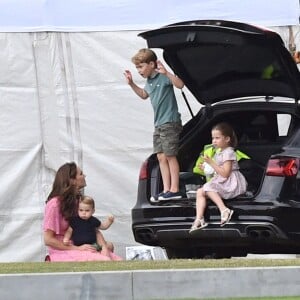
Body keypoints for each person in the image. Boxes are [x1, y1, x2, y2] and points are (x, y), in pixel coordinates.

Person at [124, 48, 184, 200]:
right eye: (137, 67)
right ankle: (166, 189)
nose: (139, 70)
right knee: (161, 157)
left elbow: (180, 84)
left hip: (169, 122)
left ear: (151, 64)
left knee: (170, 156)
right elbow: (144, 95)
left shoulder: (163, 77)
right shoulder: (149, 82)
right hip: (158, 124)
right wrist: (131, 84)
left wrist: (167, 73)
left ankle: (174, 189)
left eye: (141, 66)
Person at [43, 162, 123, 261]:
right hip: (63, 250)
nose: (84, 175)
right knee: (104, 260)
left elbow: (93, 228)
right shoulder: (55, 204)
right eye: (81, 174)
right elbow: (48, 240)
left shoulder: (78, 202)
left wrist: (104, 248)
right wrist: (77, 248)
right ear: (72, 181)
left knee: (118, 259)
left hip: (82, 246)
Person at [189, 122, 247, 233]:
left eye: (217, 138)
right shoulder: (219, 152)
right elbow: (216, 170)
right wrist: (206, 167)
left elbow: (225, 173)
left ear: (227, 139)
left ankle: (224, 210)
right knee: (200, 192)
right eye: (213, 138)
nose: (214, 141)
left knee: (208, 187)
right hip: (222, 180)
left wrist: (211, 163)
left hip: (231, 182)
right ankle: (199, 219)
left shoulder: (229, 152)